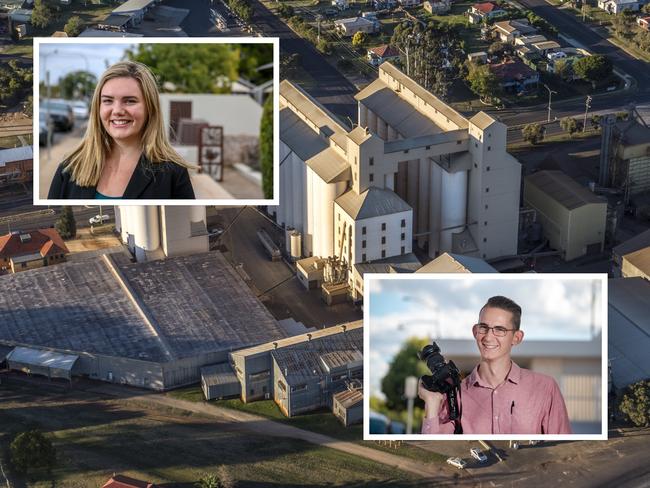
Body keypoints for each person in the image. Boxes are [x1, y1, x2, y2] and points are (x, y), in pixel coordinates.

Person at [419, 296, 572, 434]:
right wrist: (431, 404)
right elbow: (434, 448)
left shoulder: (544, 388)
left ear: (516, 338)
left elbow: (564, 447)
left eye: (500, 329)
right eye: (483, 327)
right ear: (475, 331)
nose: (488, 337)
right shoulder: (455, 394)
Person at [48, 61, 195, 199]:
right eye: (107, 101)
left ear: (150, 108)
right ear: (98, 107)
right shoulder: (69, 167)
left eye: (130, 101)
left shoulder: (173, 173)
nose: (117, 110)